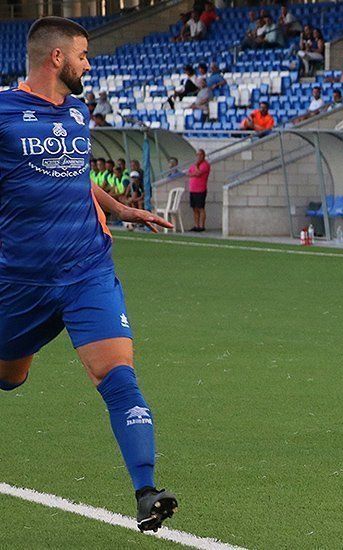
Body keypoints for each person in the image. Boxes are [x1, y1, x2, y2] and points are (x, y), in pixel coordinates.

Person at [0, 16, 176, 531]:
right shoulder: (3, 113)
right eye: (83, 54)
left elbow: (75, 176)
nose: (88, 63)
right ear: (56, 58)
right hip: (20, 281)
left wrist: (121, 209)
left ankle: (146, 491)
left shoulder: (78, 111)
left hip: (86, 271)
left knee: (118, 376)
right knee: (11, 376)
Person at [187, 149, 210, 232]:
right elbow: (189, 173)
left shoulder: (205, 165)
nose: (198, 156)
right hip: (193, 189)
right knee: (195, 208)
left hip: (200, 189)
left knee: (201, 208)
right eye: (197, 155)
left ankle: (202, 226)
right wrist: (194, 173)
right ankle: (196, 225)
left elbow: (198, 173)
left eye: (200, 155)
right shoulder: (194, 165)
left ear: (203, 155)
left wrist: (196, 168)